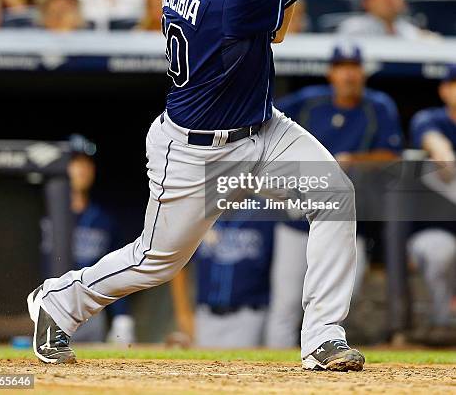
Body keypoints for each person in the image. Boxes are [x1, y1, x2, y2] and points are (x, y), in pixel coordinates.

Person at [27, 0, 365, 372]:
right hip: (194, 152)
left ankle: (323, 337)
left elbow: (276, 30)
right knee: (156, 261)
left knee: (335, 197)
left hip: (262, 131)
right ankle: (57, 301)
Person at [266, 43, 402, 348]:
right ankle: (273, 370)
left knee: (344, 295)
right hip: (297, 219)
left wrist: (353, 160)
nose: (348, 74)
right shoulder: (309, 101)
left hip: (347, 219)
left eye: (354, 67)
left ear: (363, 72)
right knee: (285, 302)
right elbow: (264, 122)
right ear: (331, 73)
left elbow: (392, 157)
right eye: (342, 67)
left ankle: (322, 350)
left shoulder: (378, 106)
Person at [40, 135, 135, 344]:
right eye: (75, 162)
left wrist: (122, 316)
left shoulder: (104, 220)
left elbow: (118, 270)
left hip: (90, 313)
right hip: (47, 310)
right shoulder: (41, 214)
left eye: (87, 162)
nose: (82, 168)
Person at [171, 207, 275, 348]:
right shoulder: (200, 212)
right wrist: (183, 313)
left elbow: (280, 270)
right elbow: (179, 264)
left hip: (249, 316)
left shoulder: (265, 213)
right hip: (205, 315)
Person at [408, 66, 456, 340]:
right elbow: (438, 147)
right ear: (444, 90)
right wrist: (443, 152)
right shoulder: (431, 119)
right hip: (437, 230)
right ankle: (441, 322)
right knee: (440, 250)